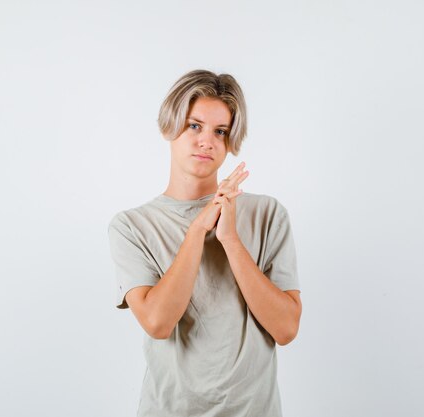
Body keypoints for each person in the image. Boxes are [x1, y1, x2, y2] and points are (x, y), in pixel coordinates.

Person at [108, 69, 302, 417]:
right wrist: (198, 230)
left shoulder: (267, 213)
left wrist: (229, 239)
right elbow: (157, 322)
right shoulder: (132, 226)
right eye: (194, 125)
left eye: (220, 131)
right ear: (170, 126)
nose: (206, 141)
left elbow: (286, 328)